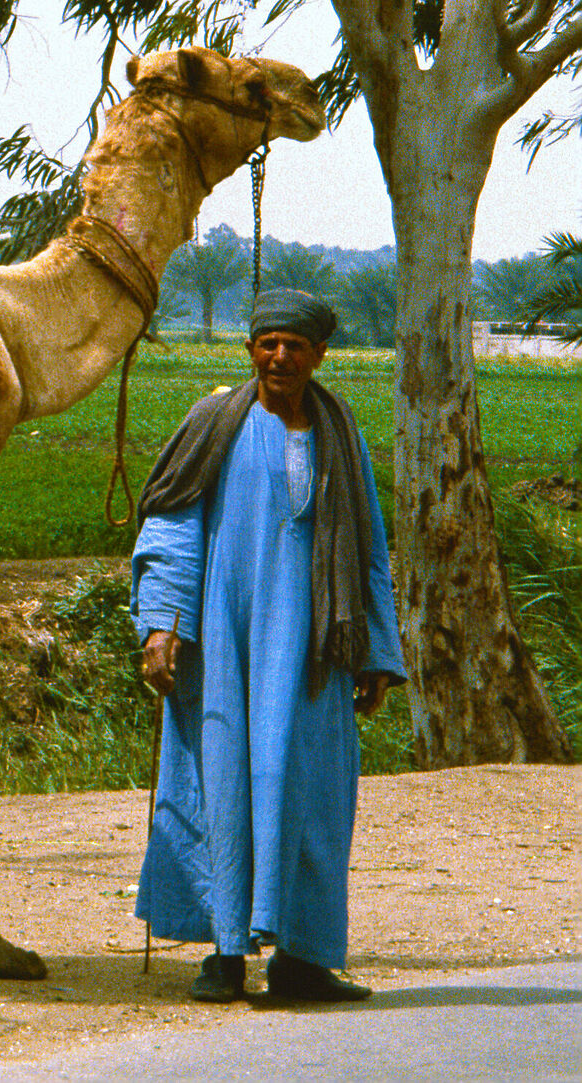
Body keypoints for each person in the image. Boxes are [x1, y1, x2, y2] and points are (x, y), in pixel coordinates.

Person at [130, 288, 407, 1004]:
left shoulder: (340, 434)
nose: (279, 356)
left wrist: (376, 650)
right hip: (225, 645)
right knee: (219, 789)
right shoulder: (214, 424)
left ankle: (303, 960)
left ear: (320, 355)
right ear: (250, 349)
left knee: (311, 797)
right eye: (267, 343)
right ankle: (224, 955)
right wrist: (164, 623)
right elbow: (173, 526)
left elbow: (371, 549)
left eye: (295, 345)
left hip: (315, 651)